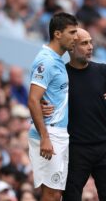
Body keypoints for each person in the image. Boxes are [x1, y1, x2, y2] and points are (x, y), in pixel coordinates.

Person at [42, 28, 106, 201]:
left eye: (91, 42)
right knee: (71, 197)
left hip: (105, 147)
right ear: (71, 47)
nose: (90, 47)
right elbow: (43, 100)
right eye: (84, 43)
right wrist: (43, 106)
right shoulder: (61, 74)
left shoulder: (104, 71)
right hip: (75, 148)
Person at [27, 12, 78, 201]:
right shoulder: (46, 60)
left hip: (59, 133)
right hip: (49, 133)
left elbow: (39, 98)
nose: (76, 37)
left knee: (56, 194)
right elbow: (33, 99)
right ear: (57, 34)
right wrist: (45, 137)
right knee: (50, 193)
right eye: (72, 32)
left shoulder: (57, 61)